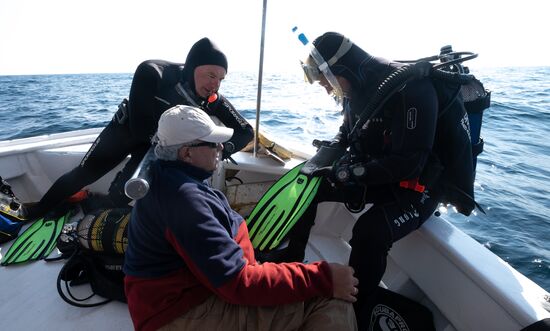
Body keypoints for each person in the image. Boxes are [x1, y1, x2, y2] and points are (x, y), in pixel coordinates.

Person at [274, 32, 477, 327]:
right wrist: (324, 163)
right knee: (309, 187)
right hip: (377, 173)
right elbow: (347, 134)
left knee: (370, 232)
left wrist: (348, 173)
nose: (323, 87)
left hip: (418, 185)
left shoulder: (411, 88)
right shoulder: (354, 89)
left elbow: (409, 163)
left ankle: (354, 306)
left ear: (340, 68)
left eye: (324, 79)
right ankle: (292, 262)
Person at [123, 105, 359, 331]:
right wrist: (324, 278)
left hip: (185, 296)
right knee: (329, 301)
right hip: (179, 314)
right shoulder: (184, 200)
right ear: (186, 153)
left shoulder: (170, 177)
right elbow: (237, 283)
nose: (221, 149)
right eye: (213, 144)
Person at [22, 37, 254, 220]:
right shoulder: (153, 72)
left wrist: (223, 150)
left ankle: (87, 203)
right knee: (82, 174)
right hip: (126, 133)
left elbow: (246, 131)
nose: (215, 84)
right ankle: (37, 210)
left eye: (221, 79)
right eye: (211, 75)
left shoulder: (212, 98)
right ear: (193, 67)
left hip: (157, 147)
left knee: (122, 195)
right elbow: (141, 128)